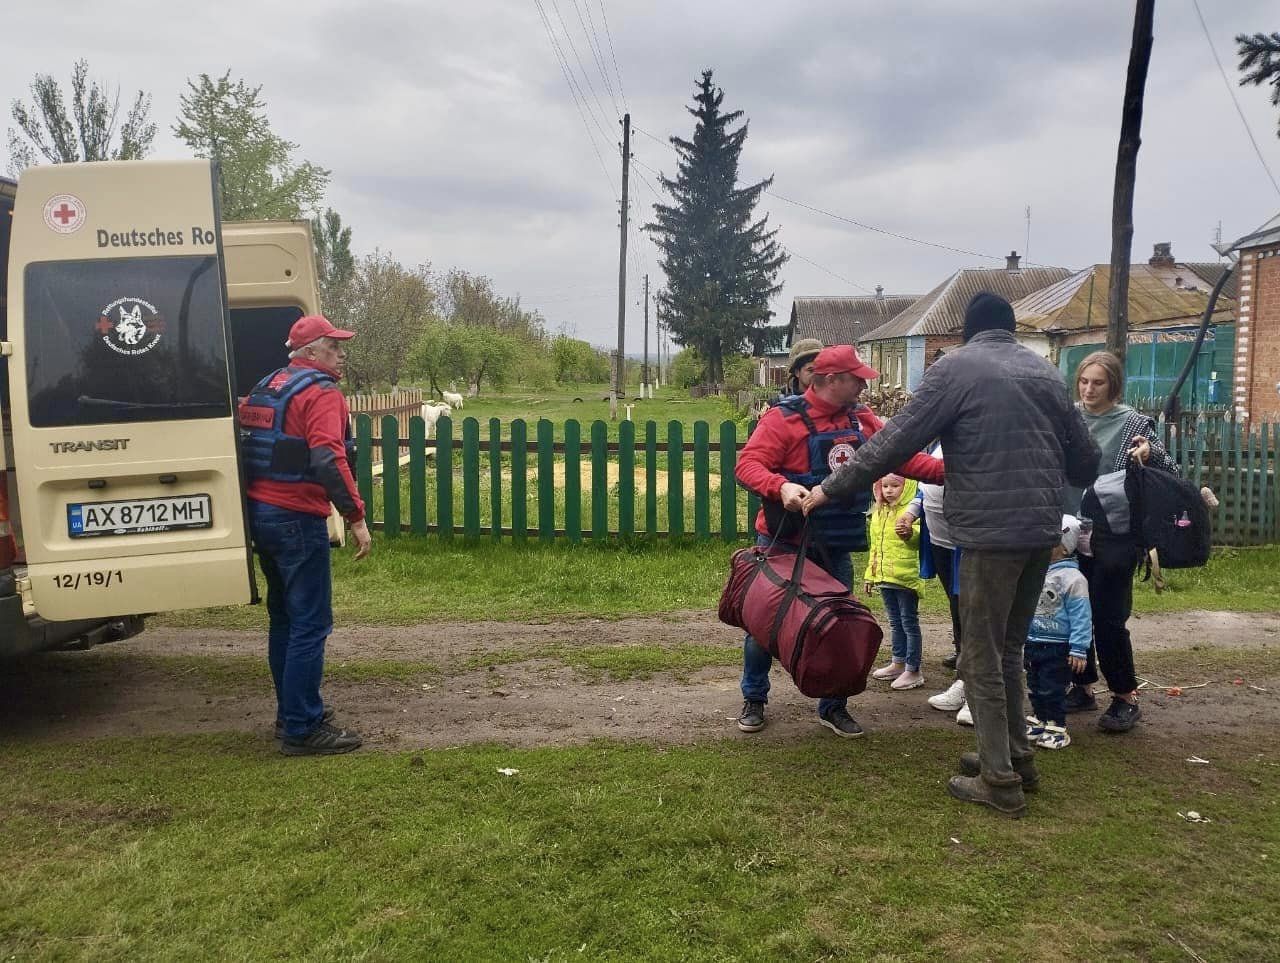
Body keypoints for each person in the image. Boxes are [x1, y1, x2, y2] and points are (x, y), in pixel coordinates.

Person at [803, 293, 1098, 817]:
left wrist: (830, 488)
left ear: (966, 332)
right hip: (1040, 532)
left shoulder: (955, 369)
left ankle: (999, 781)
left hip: (989, 534)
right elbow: (1086, 461)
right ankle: (1014, 756)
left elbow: (894, 441)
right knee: (1007, 649)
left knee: (980, 655)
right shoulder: (1047, 373)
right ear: (1011, 330)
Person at [734, 344, 944, 738]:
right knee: (765, 625)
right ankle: (754, 699)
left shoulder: (862, 419)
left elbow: (900, 458)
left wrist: (951, 471)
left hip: (834, 542)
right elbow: (747, 465)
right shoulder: (783, 419)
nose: (864, 387)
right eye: (857, 379)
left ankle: (833, 707)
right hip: (784, 541)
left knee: (837, 626)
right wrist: (779, 487)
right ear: (831, 380)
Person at [239, 315, 373, 756]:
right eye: (333, 346)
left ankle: (292, 710)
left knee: (285, 620)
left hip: (261, 514)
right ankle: (301, 727)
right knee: (311, 623)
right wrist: (355, 517)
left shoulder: (267, 386)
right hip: (296, 518)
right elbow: (328, 457)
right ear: (311, 352)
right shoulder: (321, 393)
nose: (341, 353)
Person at [1067, 350, 1179, 734]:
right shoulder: (1070, 417)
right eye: (1084, 381)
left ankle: (1125, 697)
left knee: (1108, 617)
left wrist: (1149, 452)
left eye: (1097, 383)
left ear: (1112, 385)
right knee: (1071, 610)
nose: (1088, 389)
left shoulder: (1133, 422)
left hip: (1115, 532)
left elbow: (1170, 468)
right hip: (1069, 529)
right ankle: (1082, 686)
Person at [897, 442, 970, 723]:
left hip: (973, 541)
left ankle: (979, 692)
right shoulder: (939, 439)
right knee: (958, 609)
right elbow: (924, 484)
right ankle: (964, 680)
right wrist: (913, 511)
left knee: (976, 614)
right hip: (942, 542)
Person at [1022, 516, 1092, 751]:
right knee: (1034, 683)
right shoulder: (1037, 572)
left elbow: (1082, 616)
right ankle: (1040, 718)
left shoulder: (1073, 579)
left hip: (1058, 645)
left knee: (1053, 686)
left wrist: (1079, 648)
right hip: (1034, 641)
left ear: (1064, 547)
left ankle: (1057, 725)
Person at [865, 473, 926, 691]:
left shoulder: (912, 512)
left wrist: (909, 533)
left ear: (907, 487)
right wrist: (870, 575)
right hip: (884, 578)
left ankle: (913, 669)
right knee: (894, 622)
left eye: (895, 486)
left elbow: (919, 541)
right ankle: (898, 662)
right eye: (885, 486)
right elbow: (876, 546)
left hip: (905, 578)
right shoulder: (878, 512)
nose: (889, 490)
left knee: (909, 622)